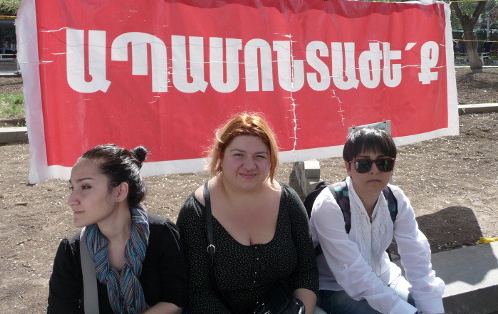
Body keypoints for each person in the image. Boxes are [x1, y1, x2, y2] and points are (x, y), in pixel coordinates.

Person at [177, 113, 319, 313]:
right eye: (239, 155)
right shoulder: (196, 213)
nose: (250, 165)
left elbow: (306, 271)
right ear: (221, 155)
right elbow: (199, 292)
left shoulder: (288, 201)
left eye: (260, 156)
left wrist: (301, 311)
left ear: (271, 160)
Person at [310, 128, 445, 314]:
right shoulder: (330, 204)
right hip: (336, 286)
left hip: (385, 276)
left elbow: (416, 255)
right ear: (348, 167)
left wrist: (431, 307)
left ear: (393, 166)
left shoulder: (395, 198)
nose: (374, 170)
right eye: (363, 164)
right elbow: (353, 273)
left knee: (424, 305)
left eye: (383, 163)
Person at [48, 144, 188, 313]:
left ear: (120, 191)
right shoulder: (72, 252)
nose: (71, 200)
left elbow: (176, 299)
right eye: (73, 188)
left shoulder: (162, 234)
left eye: (85, 187)